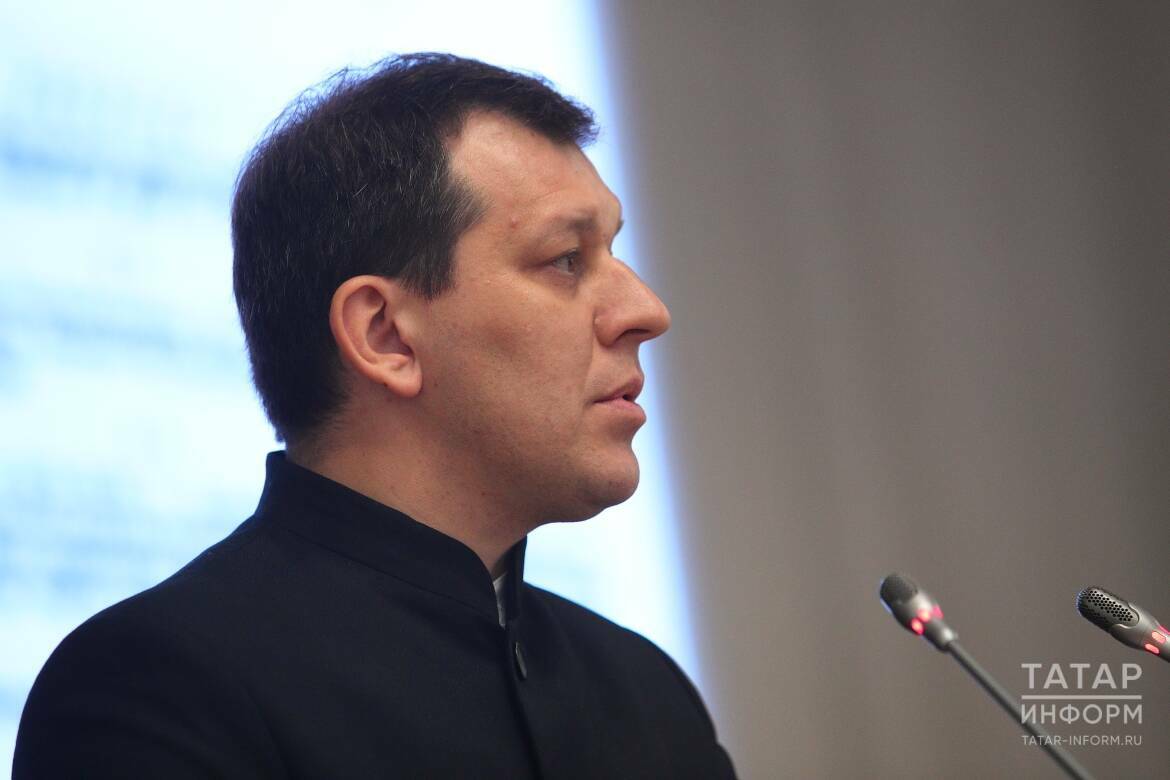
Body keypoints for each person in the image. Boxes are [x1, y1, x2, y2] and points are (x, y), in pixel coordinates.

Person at [14, 53, 736, 778]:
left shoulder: (649, 697)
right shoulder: (157, 690)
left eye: (614, 251)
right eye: (566, 260)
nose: (647, 310)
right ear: (385, 335)